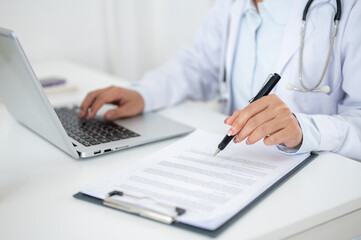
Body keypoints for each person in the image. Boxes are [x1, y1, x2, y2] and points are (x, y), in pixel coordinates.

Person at [78, 0, 361, 161]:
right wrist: (144, 94)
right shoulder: (231, 5)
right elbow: (198, 65)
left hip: (318, 181)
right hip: (240, 166)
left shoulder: (349, 10)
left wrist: (304, 129)